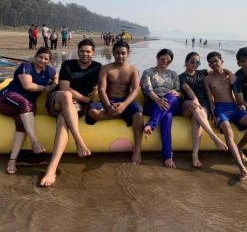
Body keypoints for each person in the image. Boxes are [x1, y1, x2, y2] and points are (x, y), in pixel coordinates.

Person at [40, 39, 101, 187]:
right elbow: (64, 88)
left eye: (88, 51)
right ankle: (79, 142)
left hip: (75, 107)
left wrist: (97, 89)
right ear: (78, 51)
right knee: (67, 96)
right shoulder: (68, 65)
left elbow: (104, 84)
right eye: (82, 51)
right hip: (57, 100)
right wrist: (86, 98)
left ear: (93, 53)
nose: (85, 54)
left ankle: (51, 169)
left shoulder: (98, 67)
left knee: (63, 119)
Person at [204, 51, 247, 181]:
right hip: (220, 109)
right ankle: (242, 169)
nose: (214, 63)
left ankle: (239, 147)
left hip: (234, 107)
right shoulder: (208, 79)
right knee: (227, 130)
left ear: (222, 61)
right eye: (211, 62)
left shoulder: (230, 76)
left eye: (216, 61)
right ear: (209, 64)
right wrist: (213, 114)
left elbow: (238, 92)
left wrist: (241, 104)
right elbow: (210, 99)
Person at [0, 47, 57, 174]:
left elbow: (56, 77)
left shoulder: (50, 70)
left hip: (25, 108)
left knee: (22, 124)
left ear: (49, 60)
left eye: (46, 59)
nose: (43, 60)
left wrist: (53, 85)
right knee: (24, 103)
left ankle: (12, 160)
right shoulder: (25, 67)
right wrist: (45, 87)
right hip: (7, 99)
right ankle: (34, 141)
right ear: (35, 57)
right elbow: (28, 86)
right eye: (40, 57)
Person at [86, 40, 143, 164]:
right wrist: (108, 106)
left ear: (128, 54)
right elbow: (101, 89)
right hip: (108, 100)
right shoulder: (106, 69)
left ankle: (137, 149)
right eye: (117, 53)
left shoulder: (133, 70)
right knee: (92, 112)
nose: (120, 56)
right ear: (113, 53)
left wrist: (124, 105)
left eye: (123, 53)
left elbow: (135, 91)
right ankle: (120, 115)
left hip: (125, 102)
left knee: (139, 114)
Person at [180, 52, 228, 167]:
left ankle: (195, 155)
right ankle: (214, 138)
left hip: (203, 105)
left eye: (198, 62)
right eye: (192, 61)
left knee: (197, 122)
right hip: (187, 104)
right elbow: (186, 89)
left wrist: (231, 73)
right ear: (186, 62)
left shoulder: (203, 73)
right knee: (194, 106)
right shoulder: (181, 77)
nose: (195, 64)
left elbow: (220, 70)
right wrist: (195, 99)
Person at [140, 49, 181, 168]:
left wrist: (176, 93)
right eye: (162, 58)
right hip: (153, 103)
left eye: (168, 59)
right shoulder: (148, 72)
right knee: (167, 116)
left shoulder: (173, 74)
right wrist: (158, 100)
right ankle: (168, 156)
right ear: (157, 58)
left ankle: (151, 125)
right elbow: (147, 89)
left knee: (170, 96)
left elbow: (179, 92)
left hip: (171, 103)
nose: (165, 61)